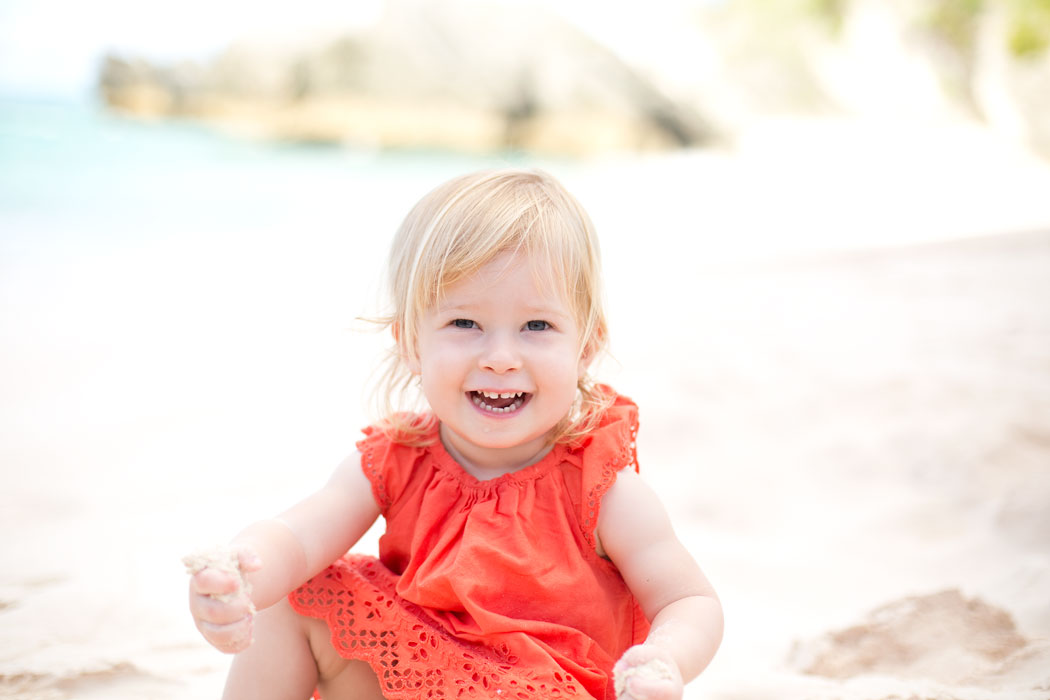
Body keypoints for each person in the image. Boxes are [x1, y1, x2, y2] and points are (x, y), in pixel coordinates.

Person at [186, 168, 723, 700]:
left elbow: (689, 601)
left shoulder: (600, 488)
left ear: (585, 347)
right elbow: (300, 539)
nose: (500, 358)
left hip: (539, 688)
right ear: (411, 344)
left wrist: (663, 658)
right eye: (465, 324)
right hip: (414, 670)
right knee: (296, 595)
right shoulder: (397, 460)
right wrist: (241, 575)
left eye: (537, 327)